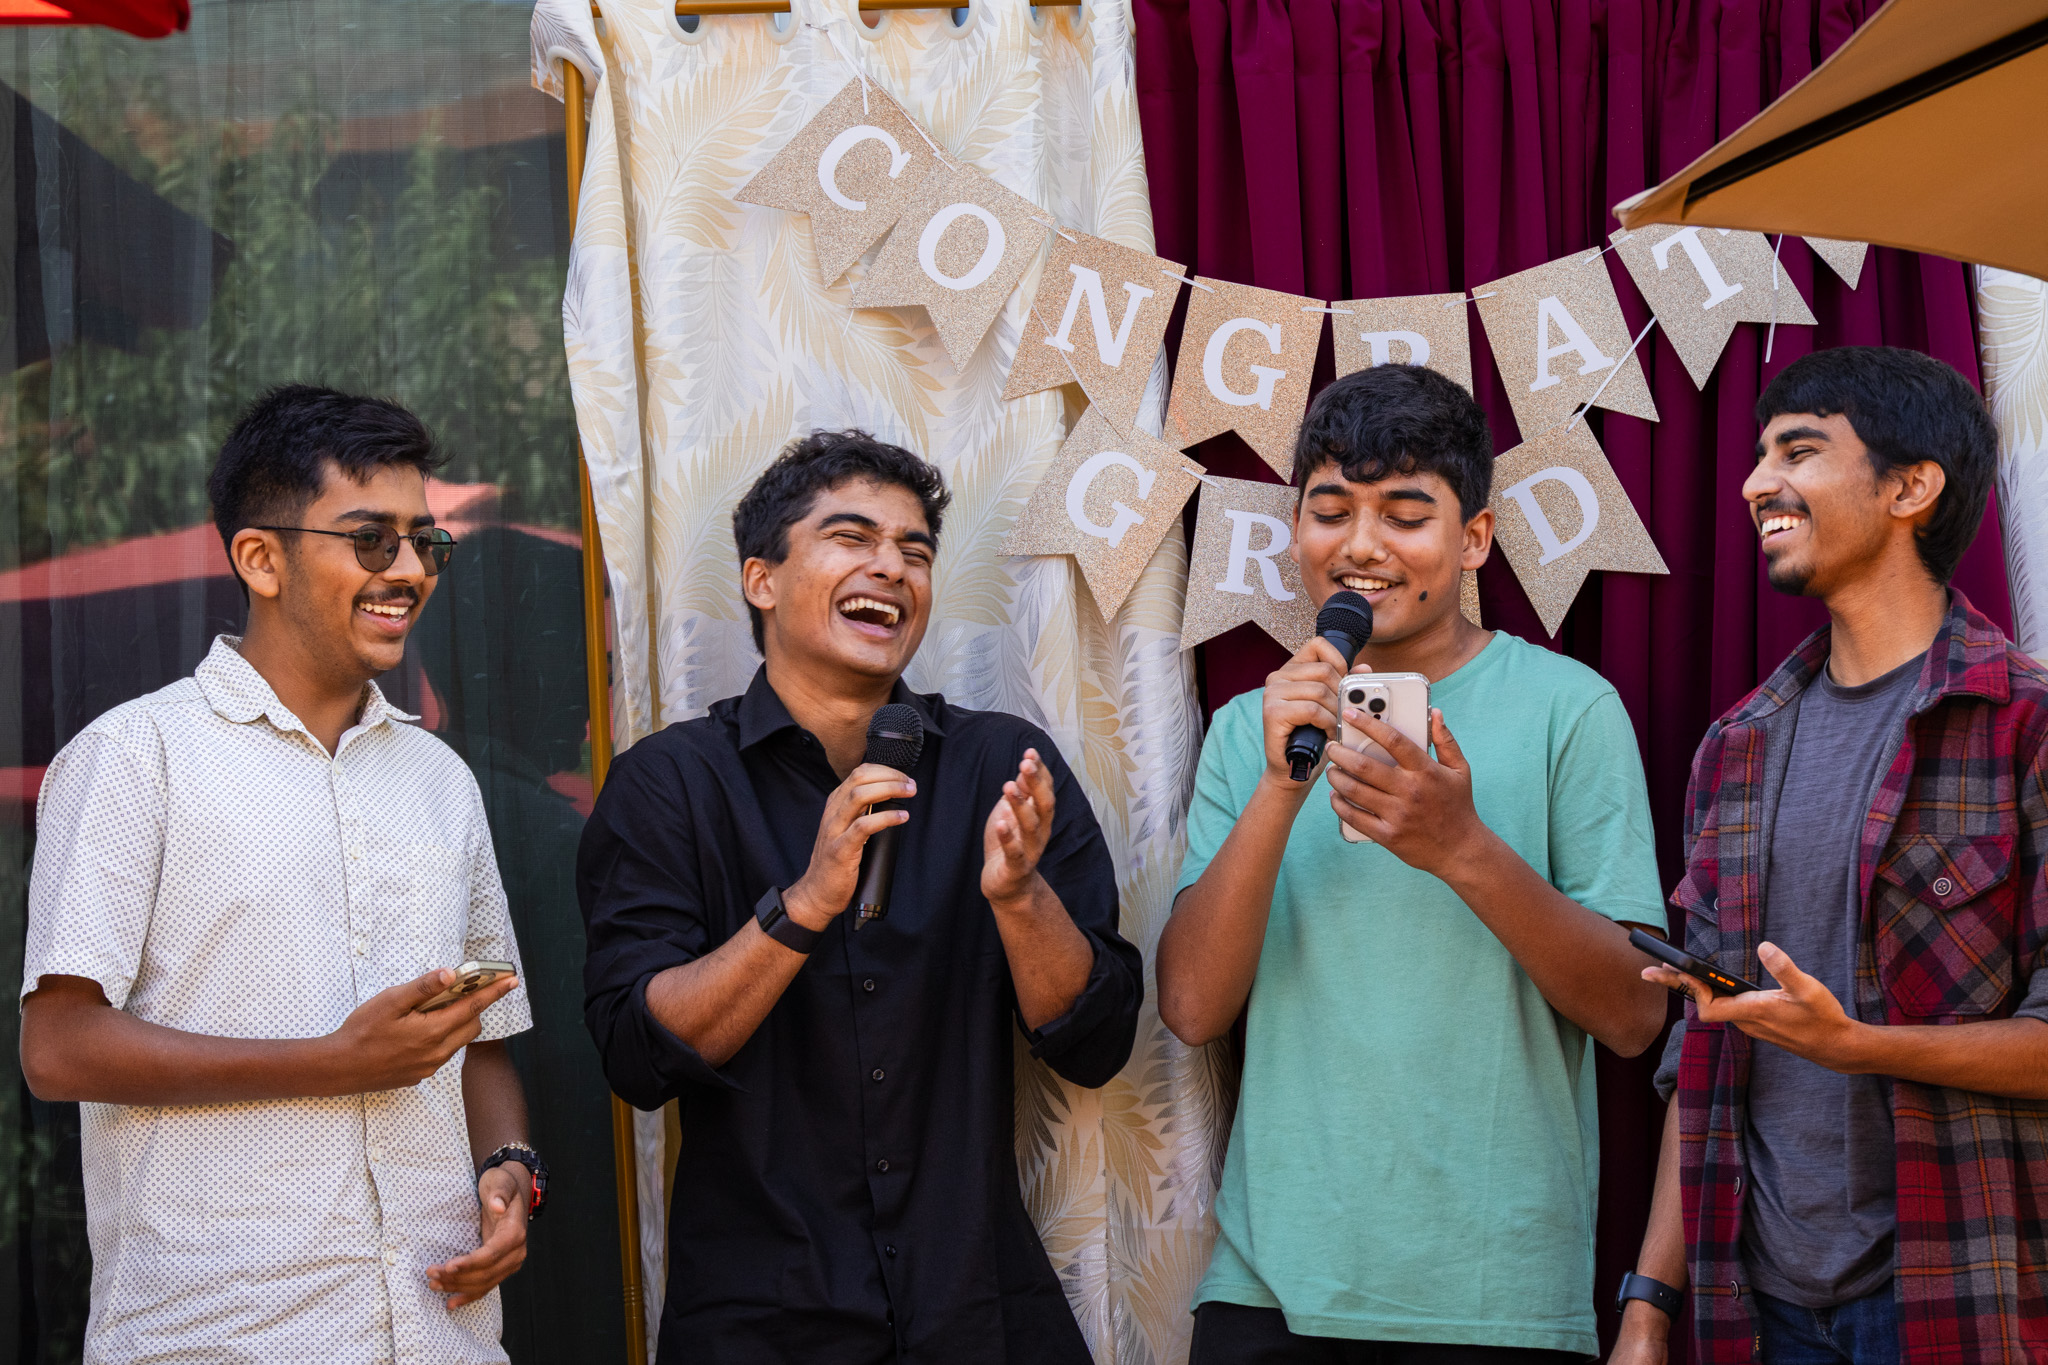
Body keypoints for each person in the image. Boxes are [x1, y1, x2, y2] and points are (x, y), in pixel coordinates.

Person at [577, 429, 1142, 1364]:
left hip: (980, 1313)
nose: (892, 566)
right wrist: (802, 904)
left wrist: (1018, 898)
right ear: (762, 578)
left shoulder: (1000, 766)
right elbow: (640, 1055)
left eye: (915, 550)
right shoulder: (668, 784)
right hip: (761, 1324)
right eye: (853, 537)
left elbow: (1098, 1043)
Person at [18, 385, 541, 1364]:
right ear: (260, 557)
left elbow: (483, 1040)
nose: (407, 570)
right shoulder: (136, 758)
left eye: (423, 541)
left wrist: (509, 1171)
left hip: (442, 1335)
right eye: (369, 539)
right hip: (219, 1339)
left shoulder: (439, 780)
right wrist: (333, 1063)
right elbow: (58, 1046)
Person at [1157, 363, 1668, 1362]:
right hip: (1270, 1296)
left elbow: (1633, 1015)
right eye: (1329, 512)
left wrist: (1461, 849)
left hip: (1494, 1296)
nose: (1358, 547)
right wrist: (1276, 785)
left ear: (1472, 539)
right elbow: (1189, 1008)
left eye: (1403, 514)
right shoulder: (1240, 731)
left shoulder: (1571, 710)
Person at [1611, 347, 2048, 1365]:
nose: (1756, 482)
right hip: (1753, 1310)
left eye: (1796, 452)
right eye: (1759, 456)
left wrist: (1856, 1045)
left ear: (1908, 487)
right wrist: (1645, 1308)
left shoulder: (2022, 724)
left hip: (1955, 1297)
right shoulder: (1737, 744)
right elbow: (1704, 1047)